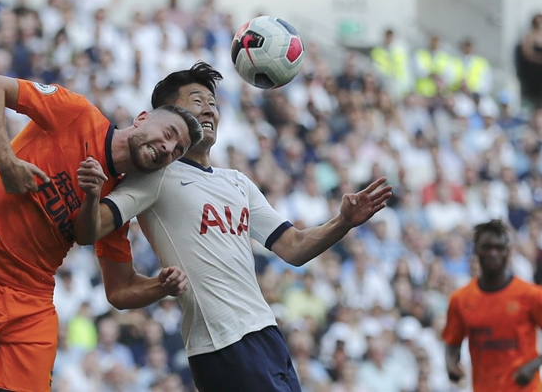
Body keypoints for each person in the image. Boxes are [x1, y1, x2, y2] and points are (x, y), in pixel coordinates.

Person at [81, 62, 393, 392]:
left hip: (268, 335)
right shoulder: (156, 175)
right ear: (169, 115)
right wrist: (89, 195)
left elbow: (294, 247)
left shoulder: (238, 182)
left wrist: (343, 222)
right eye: (197, 102)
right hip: (221, 343)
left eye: (213, 105)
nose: (208, 111)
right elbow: (93, 228)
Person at [0, 74, 202, 392]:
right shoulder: (76, 112)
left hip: (31, 303)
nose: (168, 148)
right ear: (141, 118)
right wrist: (6, 162)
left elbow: (119, 290)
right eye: (169, 134)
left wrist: (161, 286)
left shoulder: (117, 204)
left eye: (177, 150)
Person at [443, 219, 542, 392]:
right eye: (487, 247)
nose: (493, 253)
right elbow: (452, 343)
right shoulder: (461, 299)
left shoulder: (530, 295)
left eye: (499, 248)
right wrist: (451, 366)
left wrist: (534, 365)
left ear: (508, 252)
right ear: (476, 250)